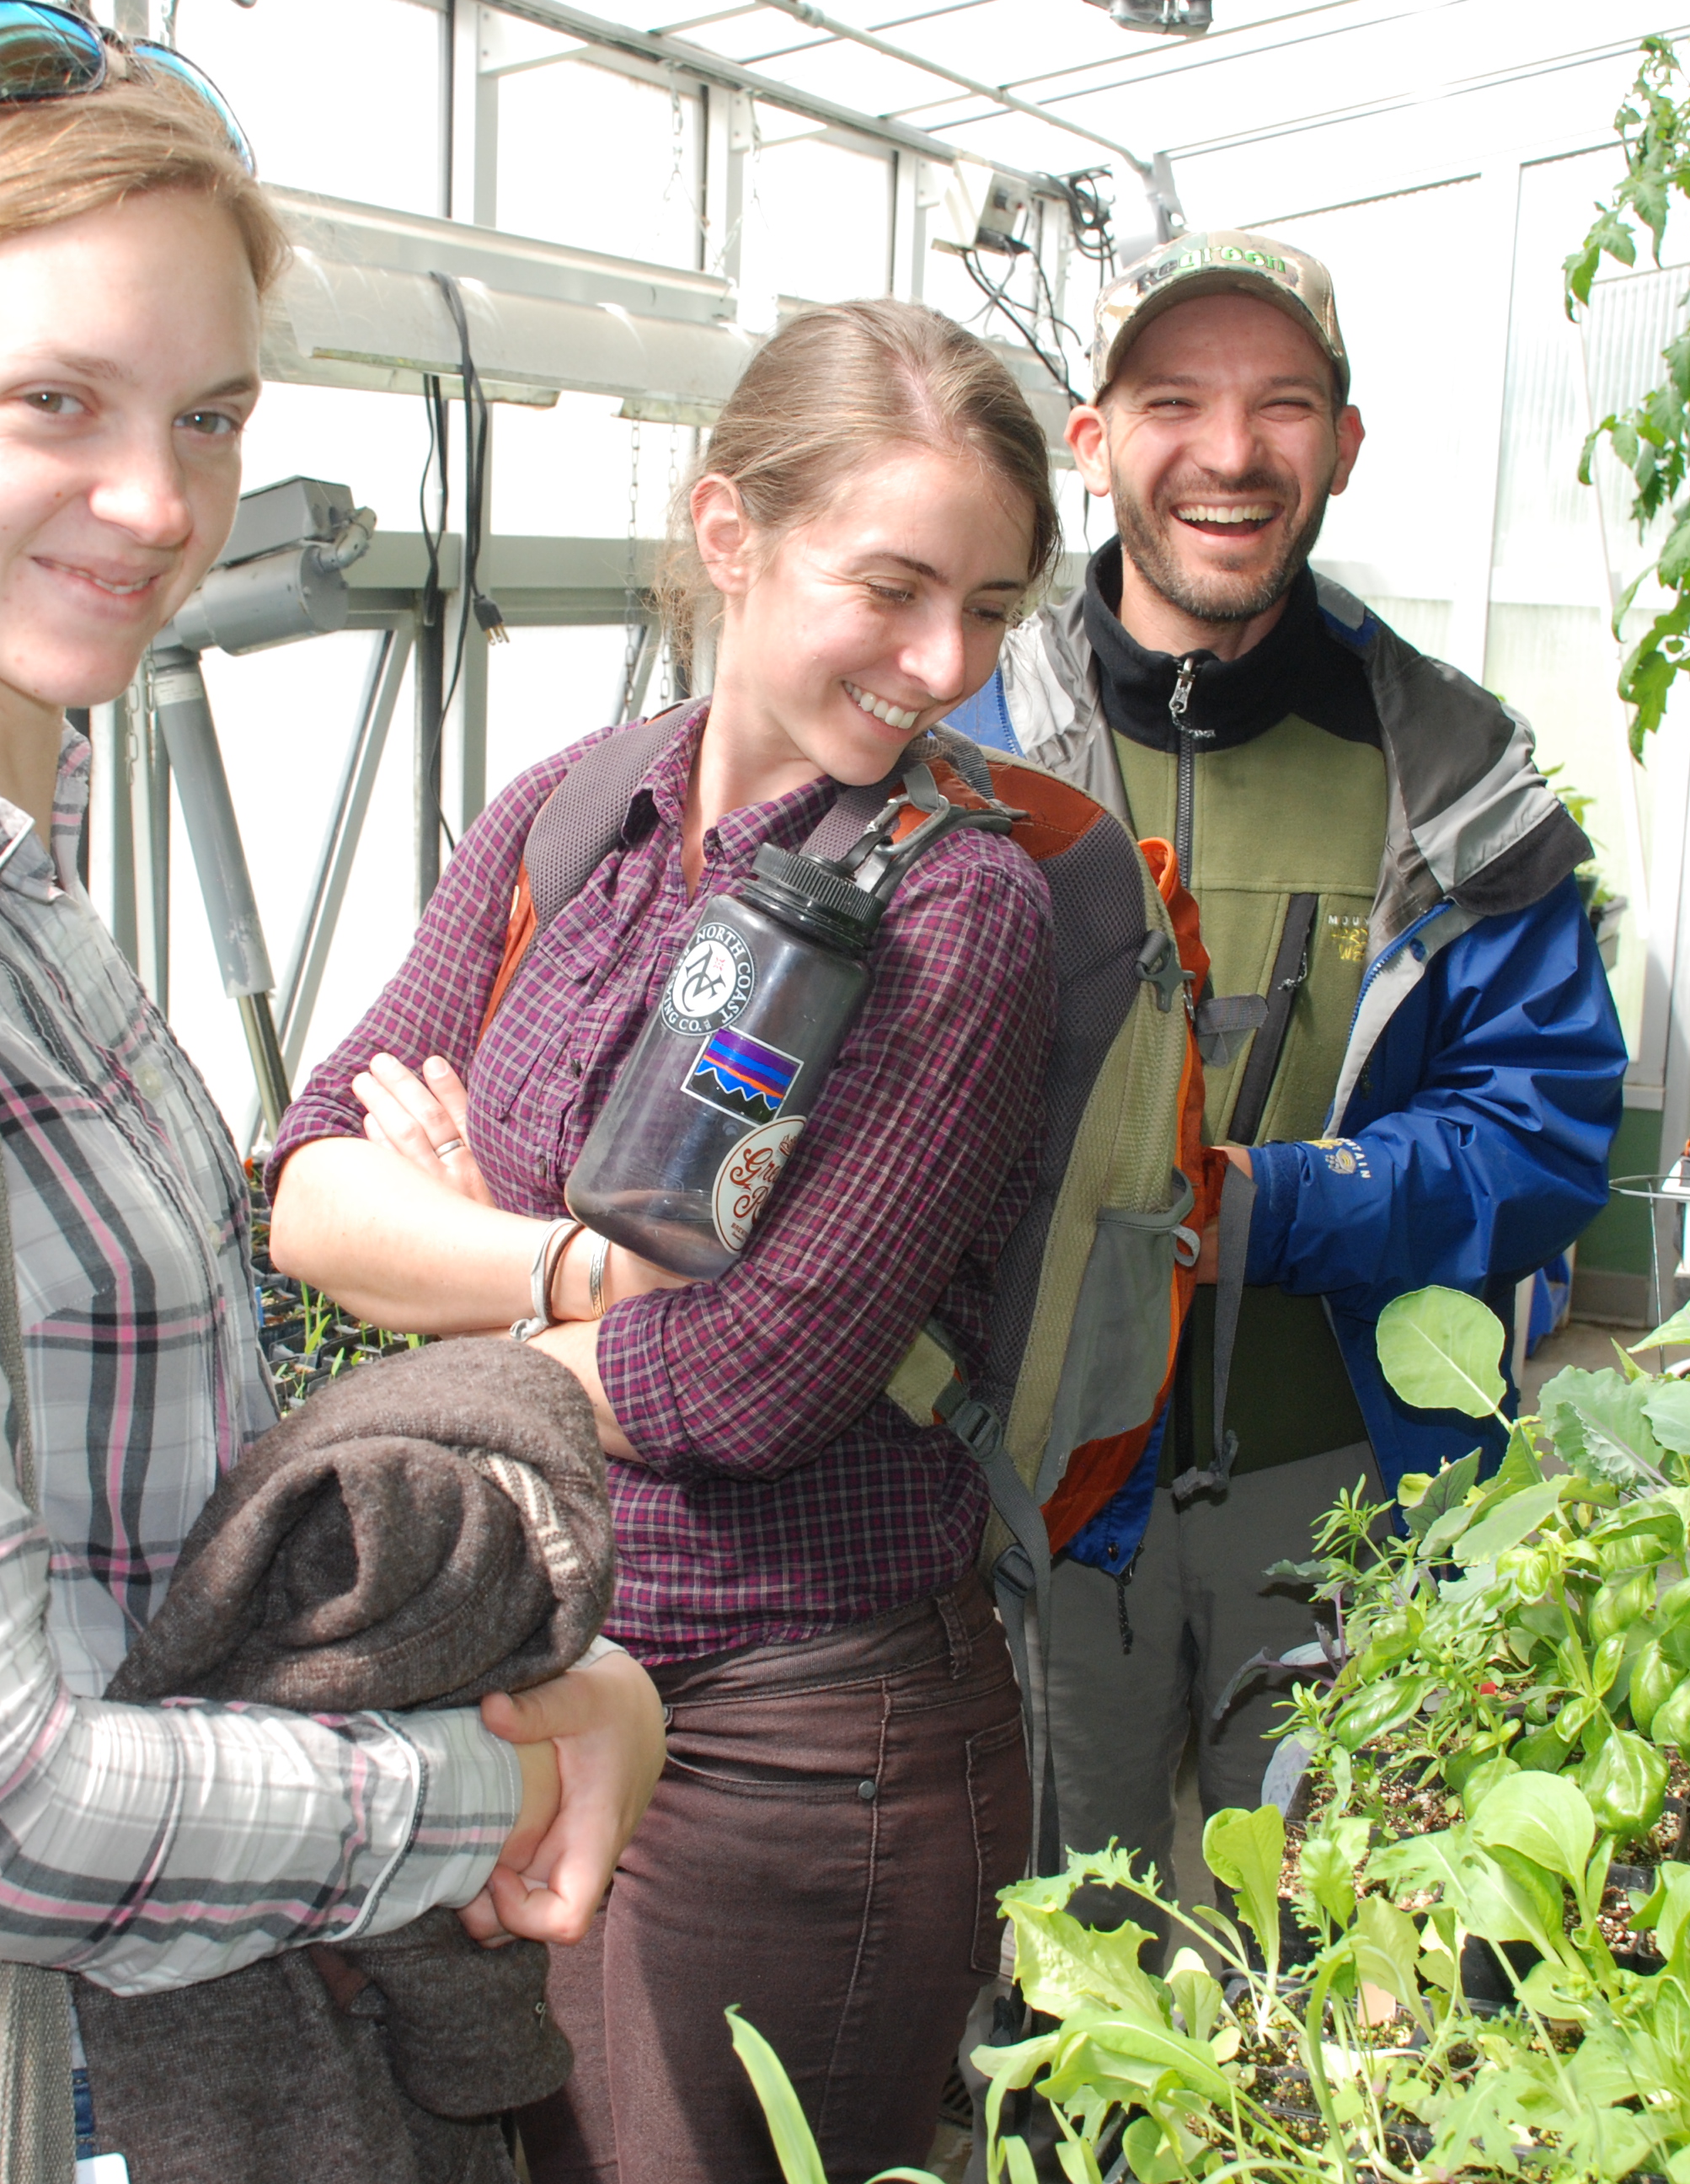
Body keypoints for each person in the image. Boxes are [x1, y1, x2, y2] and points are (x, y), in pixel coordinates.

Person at [0, 19, 660, 2180]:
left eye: (210, 416)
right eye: (52, 401)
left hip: (98, 2071)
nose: (160, 504)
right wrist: (500, 1778)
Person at [267, 299, 1059, 2182]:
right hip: (535, 1671)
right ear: (730, 535)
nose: (945, 661)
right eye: (895, 587)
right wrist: (567, 1269)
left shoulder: (958, 912)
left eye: (998, 609)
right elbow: (305, 1185)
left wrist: (446, 1255)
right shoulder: (572, 815)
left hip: (800, 1738)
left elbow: (748, 1382)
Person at [939, 229, 1627, 1903]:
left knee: (1334, 1974)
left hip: (1343, 1502)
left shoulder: (1448, 772)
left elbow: (1543, 1132)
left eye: (1282, 405)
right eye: (1174, 400)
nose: (1231, 453)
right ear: (1092, 439)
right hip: (1030, 1500)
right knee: (1047, 1968)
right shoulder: (958, 741)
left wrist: (1270, 1208)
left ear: (1343, 443)